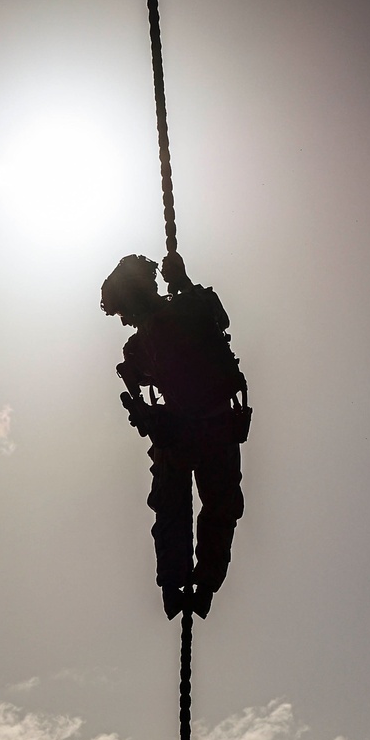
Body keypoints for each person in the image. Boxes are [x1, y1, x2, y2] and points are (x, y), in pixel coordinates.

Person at [101, 251, 251, 620]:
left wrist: (183, 284)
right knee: (179, 506)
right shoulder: (140, 346)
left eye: (124, 310)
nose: (125, 320)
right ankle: (180, 583)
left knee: (209, 507)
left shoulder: (185, 308)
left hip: (208, 426)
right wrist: (143, 412)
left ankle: (196, 584)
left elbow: (216, 319)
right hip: (190, 431)